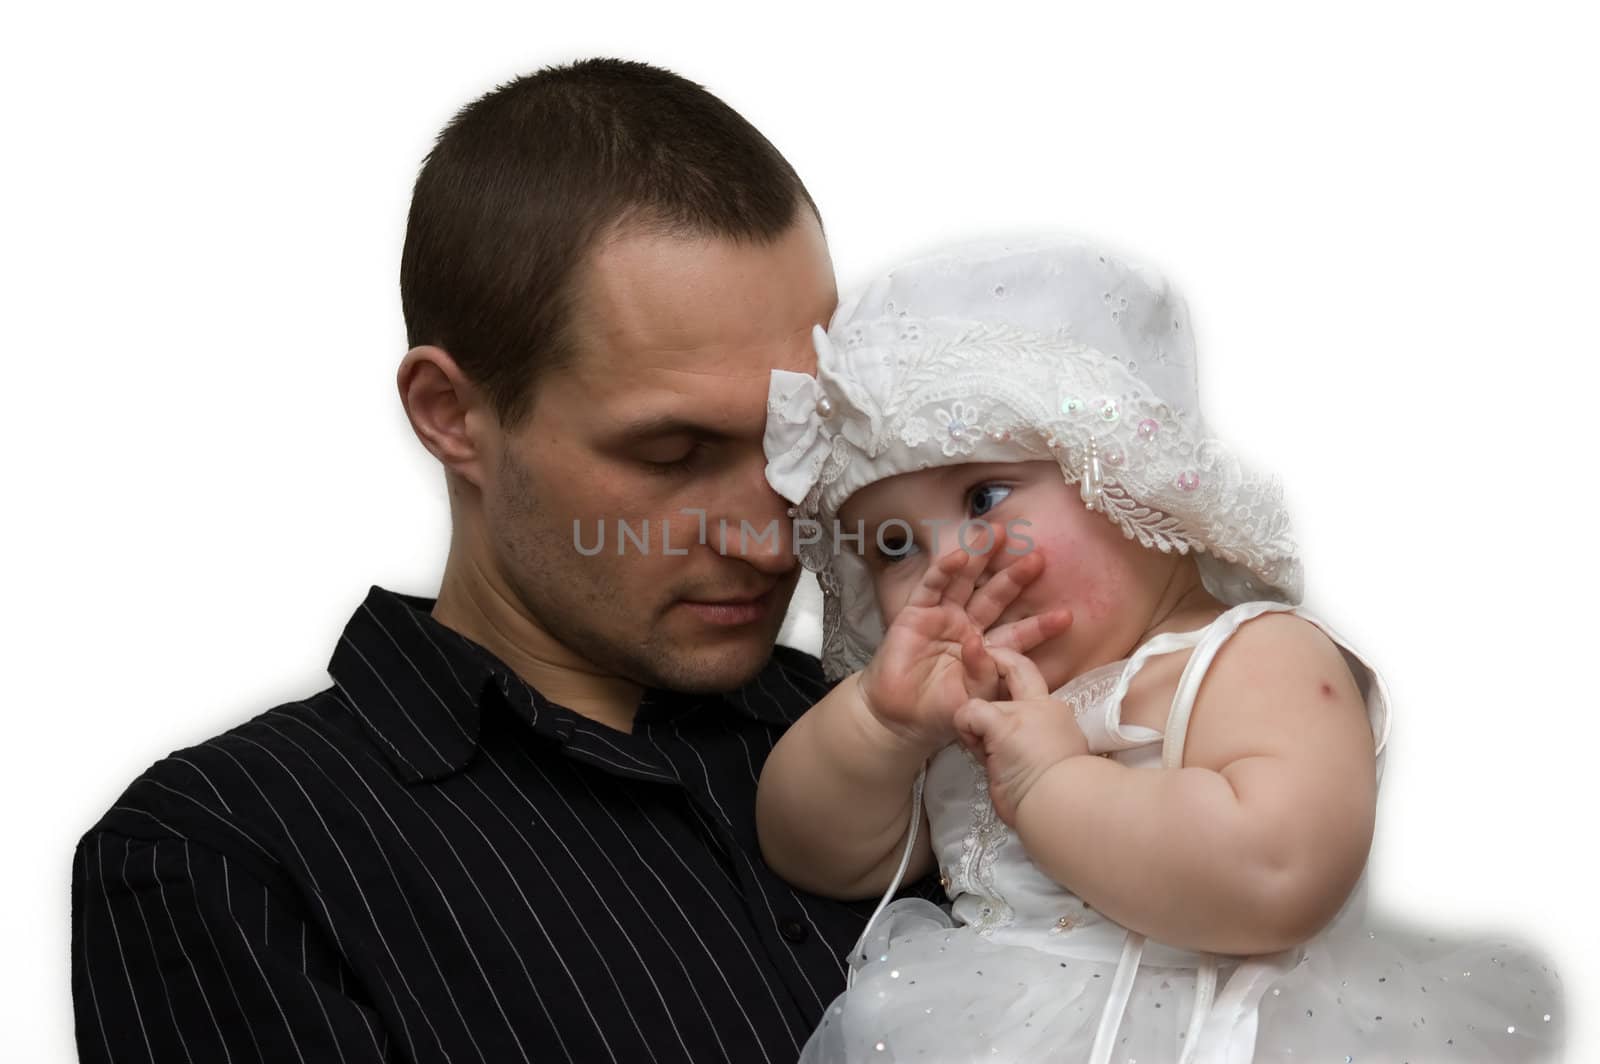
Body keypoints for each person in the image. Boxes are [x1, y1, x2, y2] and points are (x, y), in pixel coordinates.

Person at [71, 59, 1056, 1064]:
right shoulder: (230, 852)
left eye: (799, 443)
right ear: (450, 415)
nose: (773, 536)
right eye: (671, 455)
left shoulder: (935, 733)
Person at [757, 238, 1565, 1062]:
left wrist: (1051, 784)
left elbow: (1280, 875)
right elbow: (815, 853)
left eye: (986, 495)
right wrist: (882, 728)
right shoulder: (968, 712)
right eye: (893, 546)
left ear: (1126, 473)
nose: (948, 562)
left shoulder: (1249, 659)